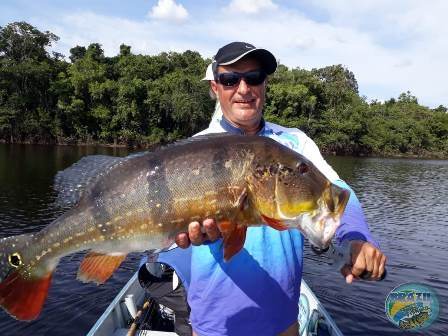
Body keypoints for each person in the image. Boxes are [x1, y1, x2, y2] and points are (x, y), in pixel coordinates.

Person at [165, 41, 386, 336]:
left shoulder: (295, 144)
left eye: (253, 77)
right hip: (215, 326)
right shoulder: (196, 149)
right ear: (216, 88)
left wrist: (357, 238)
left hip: (283, 323)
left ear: (265, 84)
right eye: (230, 80)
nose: (243, 88)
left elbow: (338, 193)